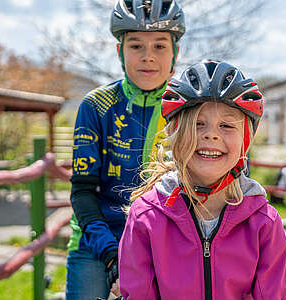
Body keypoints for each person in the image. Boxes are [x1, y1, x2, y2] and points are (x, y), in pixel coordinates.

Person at [118, 61, 286, 299]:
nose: (211, 134)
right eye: (198, 123)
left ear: (246, 139)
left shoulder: (263, 223)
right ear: (174, 134)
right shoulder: (146, 218)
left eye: (227, 125)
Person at [65, 0, 185, 299]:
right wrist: (111, 255)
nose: (148, 57)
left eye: (159, 46)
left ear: (175, 53)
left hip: (159, 245)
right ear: (120, 51)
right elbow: (82, 190)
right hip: (96, 243)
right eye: (135, 46)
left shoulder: (187, 110)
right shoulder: (96, 105)